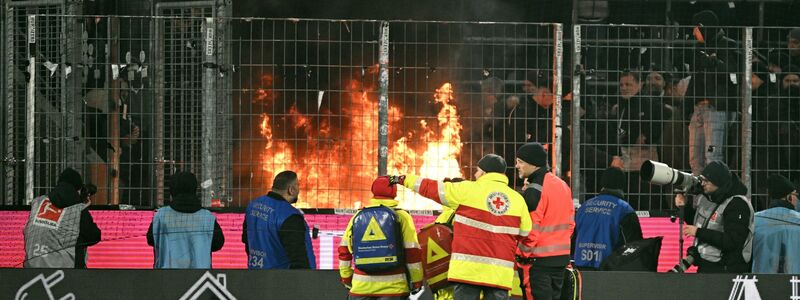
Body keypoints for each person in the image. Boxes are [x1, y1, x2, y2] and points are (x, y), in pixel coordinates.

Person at [389, 154, 531, 300]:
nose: (475, 174)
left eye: (477, 170)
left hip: (467, 271)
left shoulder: (467, 190)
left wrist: (401, 179)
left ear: (484, 172)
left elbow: (429, 187)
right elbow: (525, 233)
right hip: (499, 275)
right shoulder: (517, 200)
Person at [338, 176, 423, 299]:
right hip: (394, 290)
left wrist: (346, 278)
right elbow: (412, 252)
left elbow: (344, 250)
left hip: (361, 289)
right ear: (394, 193)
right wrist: (417, 281)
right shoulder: (402, 216)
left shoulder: (358, 216)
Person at [513, 142, 574, 300]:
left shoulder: (534, 190)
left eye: (520, 162)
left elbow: (530, 230)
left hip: (537, 263)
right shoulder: (562, 185)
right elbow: (570, 224)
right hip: (560, 260)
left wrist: (521, 256)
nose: (516, 166)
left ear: (532, 163)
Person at [673, 161, 754, 273]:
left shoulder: (738, 204)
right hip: (707, 265)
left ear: (718, 182)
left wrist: (698, 232)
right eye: (702, 179)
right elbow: (700, 224)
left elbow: (732, 241)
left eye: (707, 181)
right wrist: (684, 207)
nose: (702, 184)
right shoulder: (709, 198)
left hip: (727, 269)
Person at [24, 168, 101, 268]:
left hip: (30, 268)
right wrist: (83, 207)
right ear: (77, 189)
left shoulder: (38, 202)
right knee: (80, 237)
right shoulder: (77, 209)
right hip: (64, 274)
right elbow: (94, 236)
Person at [146, 171, 224, 268]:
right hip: (200, 276)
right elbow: (218, 243)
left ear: (172, 190)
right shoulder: (207, 217)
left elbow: (150, 240)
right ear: (194, 189)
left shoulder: (161, 215)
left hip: (166, 276)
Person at [242, 170, 316, 269]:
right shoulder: (290, 216)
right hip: (281, 280)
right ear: (291, 190)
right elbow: (299, 259)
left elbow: (246, 240)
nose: (299, 189)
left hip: (255, 275)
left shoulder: (252, 206)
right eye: (298, 185)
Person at [573, 167, 643, 270]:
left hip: (581, 268)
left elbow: (573, 238)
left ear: (602, 184)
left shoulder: (584, 207)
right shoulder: (624, 210)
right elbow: (635, 247)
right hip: (610, 272)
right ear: (622, 185)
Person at [752, 174, 800, 273]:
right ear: (789, 197)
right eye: (795, 195)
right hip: (794, 281)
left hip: (762, 280)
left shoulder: (755, 219)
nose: (797, 199)